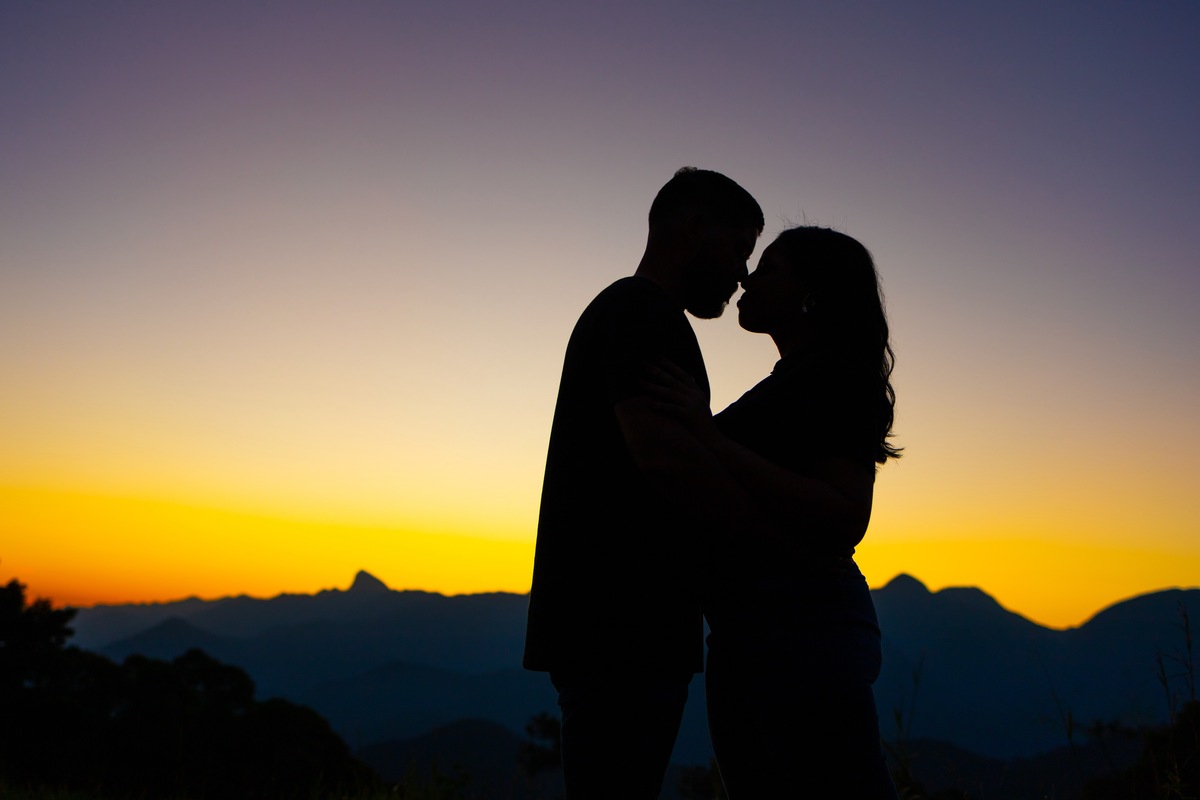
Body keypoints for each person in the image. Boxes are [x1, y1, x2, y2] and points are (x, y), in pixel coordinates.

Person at [523, 167, 763, 799]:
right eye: (739, 250)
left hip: (611, 625)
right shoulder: (640, 313)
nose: (742, 274)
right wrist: (765, 536)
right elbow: (664, 458)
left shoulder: (630, 312)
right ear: (694, 228)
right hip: (623, 626)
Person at [646, 225, 901, 797]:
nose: (746, 278)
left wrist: (709, 440)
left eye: (769, 269)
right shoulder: (791, 381)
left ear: (813, 293)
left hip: (802, 630)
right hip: (753, 631)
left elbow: (843, 515)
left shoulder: (833, 381)